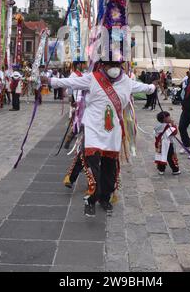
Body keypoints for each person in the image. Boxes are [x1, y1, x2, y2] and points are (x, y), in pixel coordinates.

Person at [43, 60, 157, 218]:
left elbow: (145, 88)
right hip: (93, 129)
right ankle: (91, 199)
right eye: (111, 65)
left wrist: (152, 87)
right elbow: (71, 82)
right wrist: (50, 81)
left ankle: (105, 199)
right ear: (103, 65)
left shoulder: (127, 82)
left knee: (110, 168)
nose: (114, 69)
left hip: (113, 131)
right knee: (92, 165)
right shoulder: (92, 78)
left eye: (118, 65)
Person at [154, 111, 180, 176]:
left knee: (160, 156)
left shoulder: (158, 126)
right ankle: (175, 170)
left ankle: (161, 169)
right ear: (164, 119)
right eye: (168, 117)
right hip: (168, 144)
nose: (170, 118)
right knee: (170, 157)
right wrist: (173, 124)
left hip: (159, 144)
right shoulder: (166, 126)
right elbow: (174, 132)